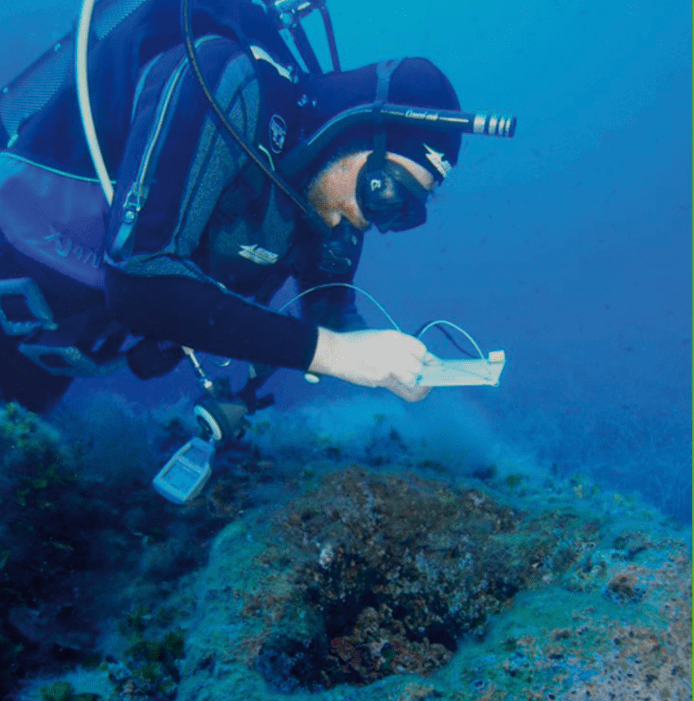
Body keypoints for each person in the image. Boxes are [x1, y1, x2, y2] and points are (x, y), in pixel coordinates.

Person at [0, 3, 467, 414]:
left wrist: (393, 361)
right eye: (386, 190)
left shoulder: (330, 201)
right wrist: (337, 355)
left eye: (404, 212)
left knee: (21, 445)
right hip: (16, 259)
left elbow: (331, 317)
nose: (373, 219)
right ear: (353, 129)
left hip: (71, 335)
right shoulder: (228, 83)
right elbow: (139, 287)